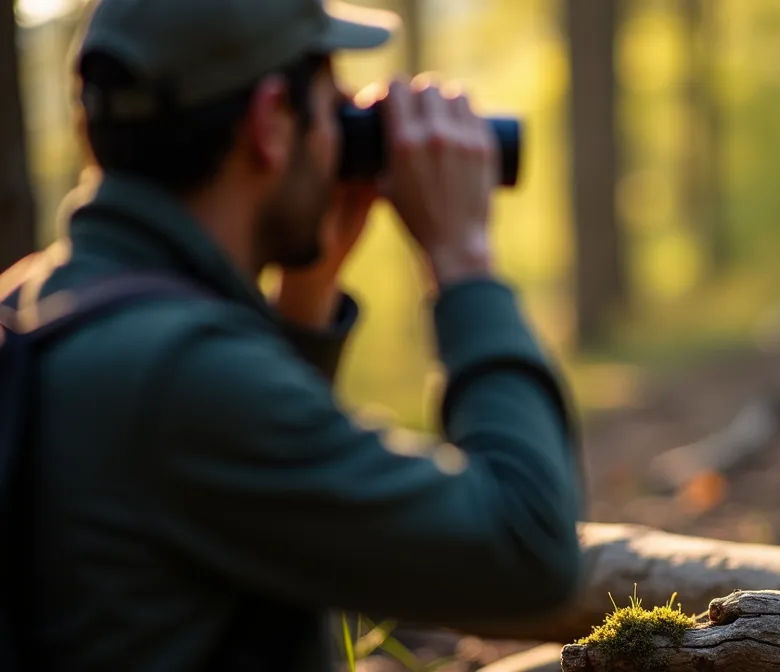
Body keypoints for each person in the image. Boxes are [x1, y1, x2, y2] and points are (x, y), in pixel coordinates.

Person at [1, 0, 584, 669]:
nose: (342, 138)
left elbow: (244, 505)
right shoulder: (181, 377)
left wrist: (305, 302)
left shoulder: (31, 307)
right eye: (333, 106)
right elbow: (526, 549)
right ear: (273, 119)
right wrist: (464, 263)